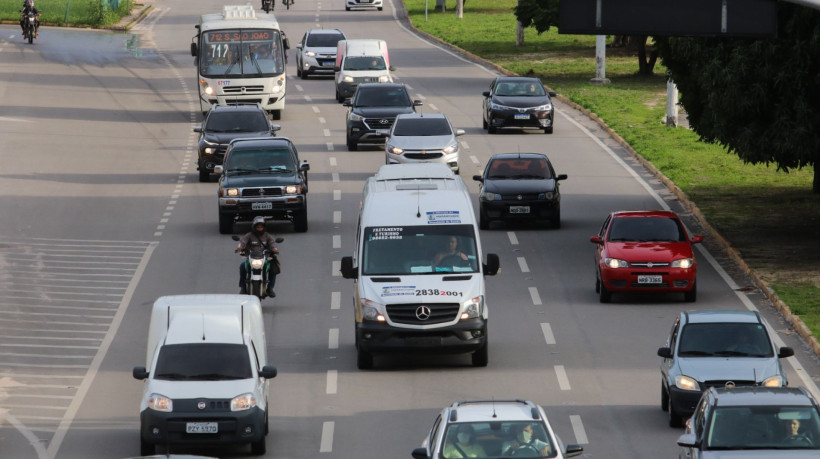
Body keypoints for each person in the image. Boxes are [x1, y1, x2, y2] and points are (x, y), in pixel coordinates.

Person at [236, 216, 279, 297]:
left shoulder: (267, 236)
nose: (260, 229)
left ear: (264, 227)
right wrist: (240, 247)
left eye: (261, 227)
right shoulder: (249, 235)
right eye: (258, 227)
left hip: (264, 258)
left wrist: (274, 249)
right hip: (251, 258)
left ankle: (270, 288)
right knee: (242, 266)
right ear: (254, 227)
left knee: (273, 268)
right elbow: (243, 242)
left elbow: (272, 243)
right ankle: (243, 287)